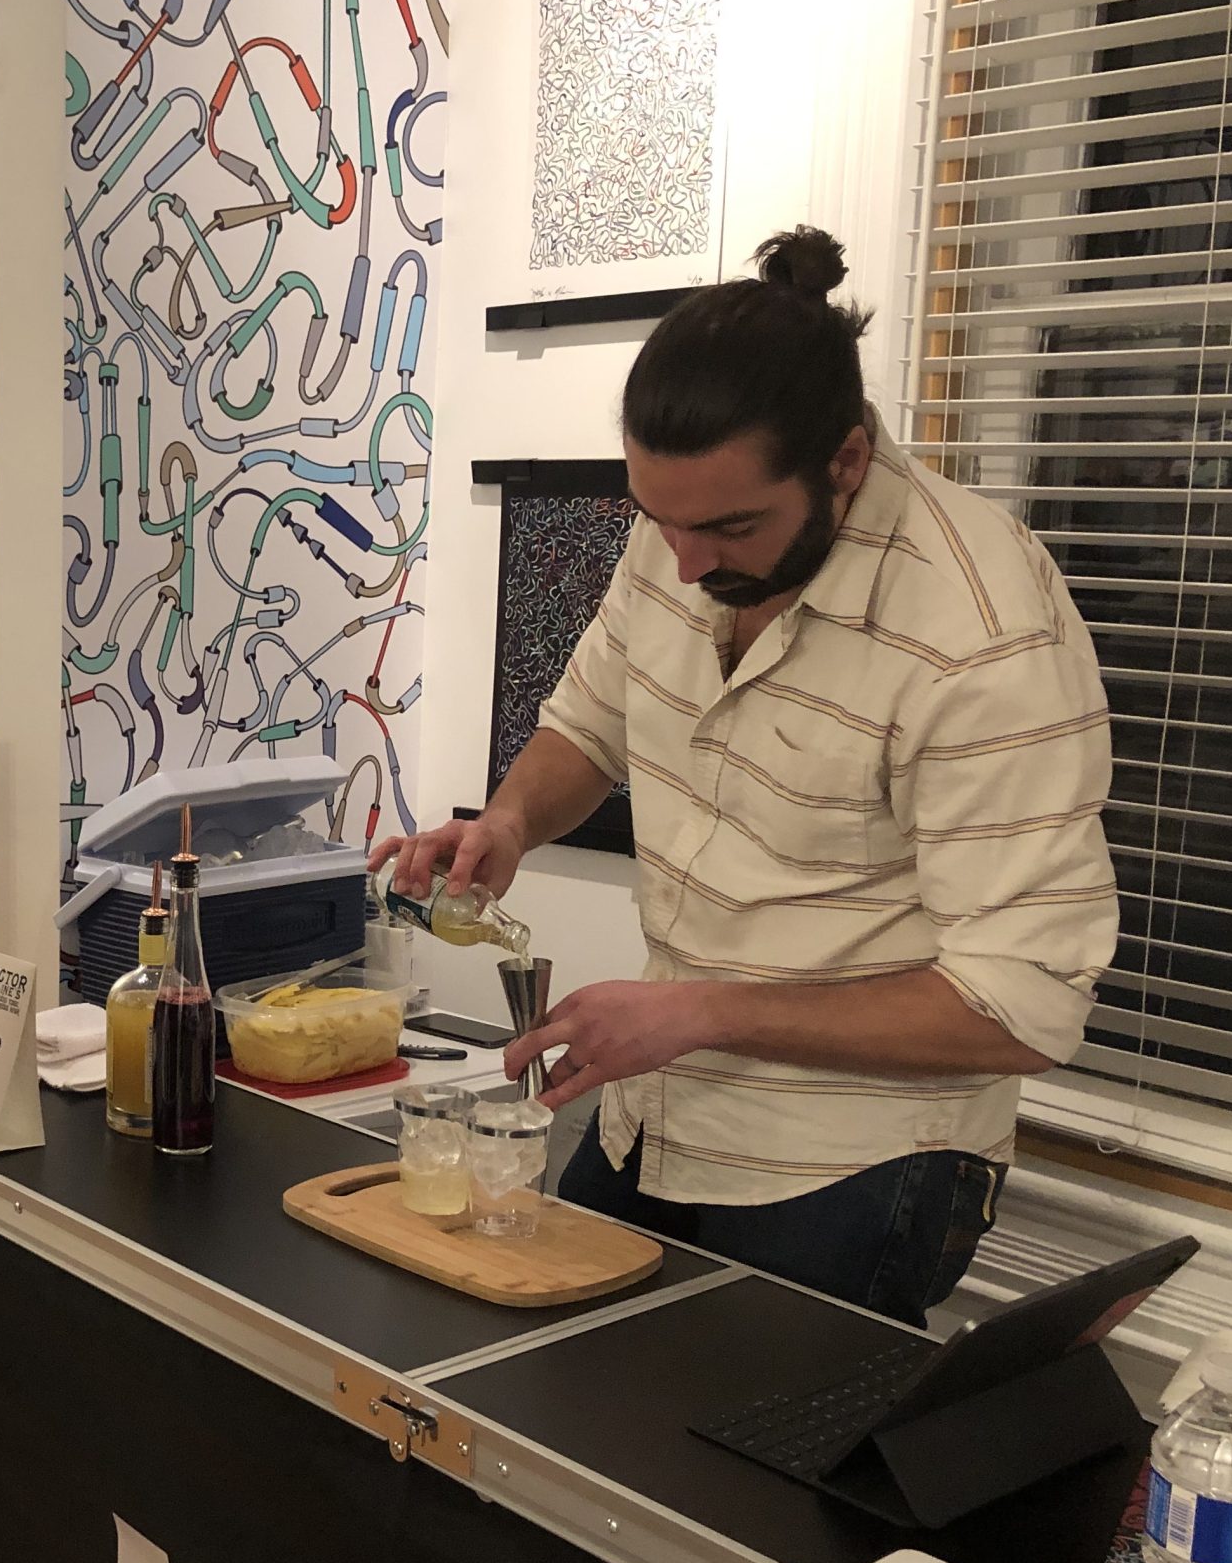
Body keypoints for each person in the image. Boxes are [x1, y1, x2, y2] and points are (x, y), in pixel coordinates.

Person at [380, 228, 1117, 1325]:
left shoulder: (981, 634)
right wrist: (511, 825)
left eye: (727, 528)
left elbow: (1021, 1011)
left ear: (845, 464)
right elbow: (591, 724)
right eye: (657, 521)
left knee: (741, 1489)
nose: (683, 564)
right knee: (555, 1403)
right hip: (657, 1117)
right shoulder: (686, 532)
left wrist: (700, 1013)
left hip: (859, 1167)